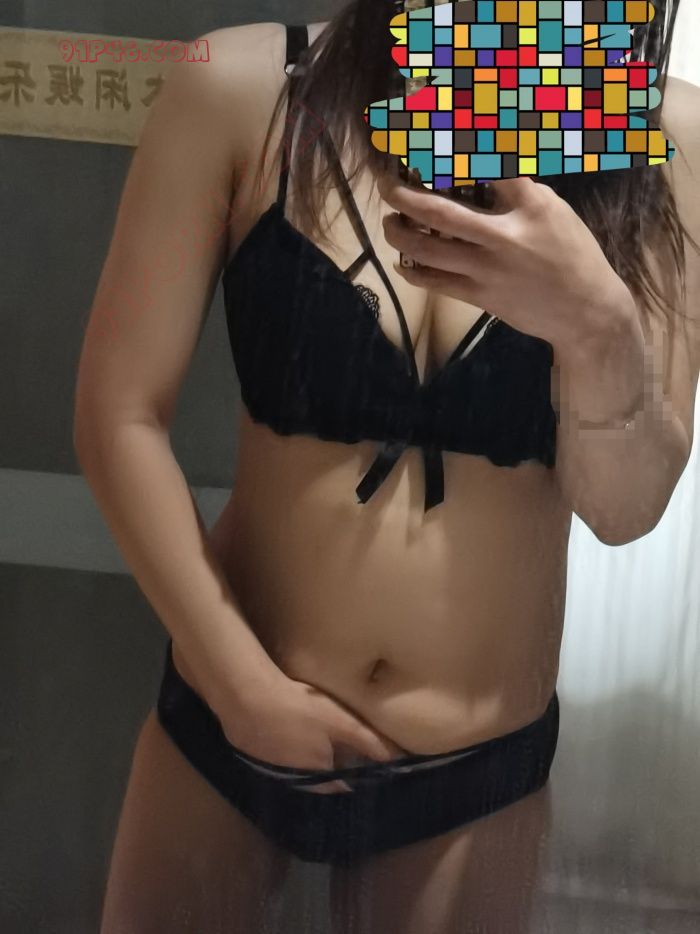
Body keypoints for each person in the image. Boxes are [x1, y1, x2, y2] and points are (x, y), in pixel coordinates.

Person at [74, 4, 700, 932]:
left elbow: (624, 507)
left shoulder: (665, 137)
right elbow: (118, 414)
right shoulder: (244, 88)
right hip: (229, 709)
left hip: (473, 766)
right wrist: (240, 684)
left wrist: (598, 329)